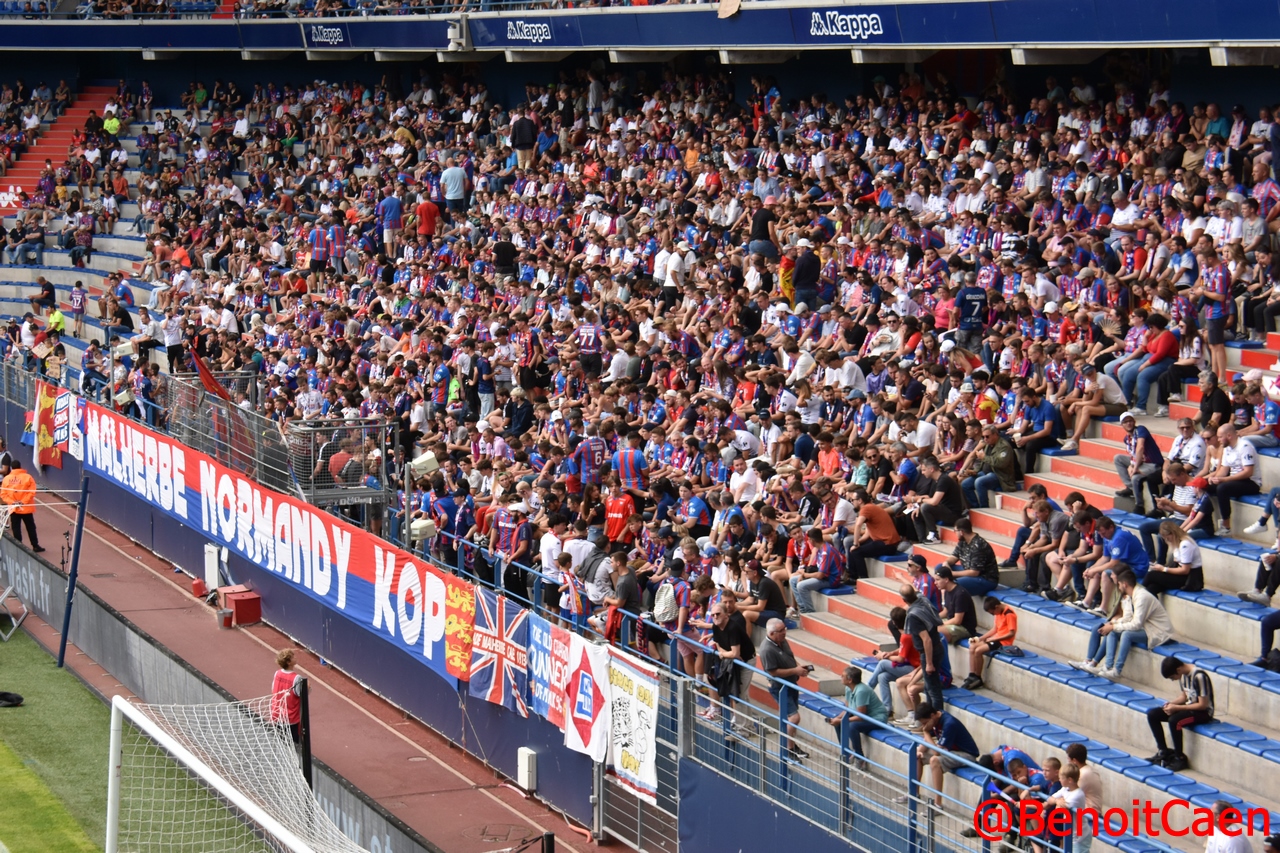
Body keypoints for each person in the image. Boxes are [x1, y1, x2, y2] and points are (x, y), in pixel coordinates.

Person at [1069, 568, 1173, 678]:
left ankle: (1117, 670)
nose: (1118, 587)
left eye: (1119, 584)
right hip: (1147, 628)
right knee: (1112, 631)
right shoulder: (1132, 595)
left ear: (1124, 584)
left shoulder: (1141, 597)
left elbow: (1136, 624)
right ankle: (1107, 666)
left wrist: (1114, 626)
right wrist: (1113, 624)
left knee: (1126, 634)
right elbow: (1128, 617)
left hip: (1158, 632)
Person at [1145, 656, 1214, 772]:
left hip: (1203, 713)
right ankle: (1163, 751)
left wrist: (1177, 708)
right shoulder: (1183, 675)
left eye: (1172, 677)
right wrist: (1170, 704)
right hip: (1189, 707)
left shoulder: (1199, 676)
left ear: (1178, 670)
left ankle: (1179, 757)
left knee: (1175, 721)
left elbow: (1203, 705)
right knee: (1153, 714)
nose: (1173, 680)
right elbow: (1184, 697)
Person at [759, 619, 811, 763]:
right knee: (794, 718)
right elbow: (773, 672)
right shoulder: (767, 650)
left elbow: (790, 657)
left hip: (791, 683)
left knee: (789, 718)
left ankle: (791, 745)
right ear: (771, 633)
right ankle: (788, 750)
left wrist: (800, 668)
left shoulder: (782, 640)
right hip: (779, 687)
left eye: (784, 629)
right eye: (781, 630)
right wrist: (795, 670)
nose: (785, 632)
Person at [911, 700, 980, 807]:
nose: (924, 726)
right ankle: (914, 794)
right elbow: (927, 741)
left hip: (966, 755)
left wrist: (925, 732)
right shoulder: (935, 719)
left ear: (932, 716)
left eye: (925, 723)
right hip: (951, 751)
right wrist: (919, 751)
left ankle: (937, 804)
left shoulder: (949, 724)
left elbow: (936, 752)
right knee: (916, 755)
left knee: (934, 760)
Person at [825, 665, 889, 765]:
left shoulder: (861, 691)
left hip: (877, 719)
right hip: (865, 716)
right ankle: (846, 754)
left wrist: (841, 720)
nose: (841, 677)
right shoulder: (848, 688)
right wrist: (836, 718)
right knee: (838, 723)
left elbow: (860, 716)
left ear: (850, 680)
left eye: (843, 676)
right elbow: (847, 709)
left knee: (852, 726)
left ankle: (859, 757)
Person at [901, 584, 945, 713]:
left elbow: (926, 640)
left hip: (929, 653)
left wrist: (929, 663)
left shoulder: (913, 616)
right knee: (929, 688)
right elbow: (916, 591)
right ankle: (930, 718)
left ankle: (937, 718)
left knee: (933, 690)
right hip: (938, 647)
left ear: (904, 600)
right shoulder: (923, 599)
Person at [961, 597, 1017, 691]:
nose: (993, 615)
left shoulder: (1009, 614)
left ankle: (978, 677)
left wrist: (994, 638)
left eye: (992, 613)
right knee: (972, 647)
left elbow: (1011, 633)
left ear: (997, 607)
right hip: (996, 638)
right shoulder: (998, 612)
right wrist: (980, 639)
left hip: (1003, 641)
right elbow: (994, 629)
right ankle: (972, 675)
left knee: (978, 651)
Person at [959, 424, 1019, 509]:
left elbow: (1001, 463)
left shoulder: (1004, 446)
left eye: (987, 436)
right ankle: (975, 507)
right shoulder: (988, 444)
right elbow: (982, 462)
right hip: (985, 473)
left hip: (999, 475)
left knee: (979, 482)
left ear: (995, 435)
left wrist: (984, 457)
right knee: (965, 484)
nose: (985, 439)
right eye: (983, 437)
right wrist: (975, 471)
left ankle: (984, 508)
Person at [941, 517, 1000, 597]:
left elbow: (974, 572)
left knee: (953, 584)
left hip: (985, 579)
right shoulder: (963, 541)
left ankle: (951, 603)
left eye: (955, 531)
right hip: (969, 572)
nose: (955, 533)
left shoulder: (978, 545)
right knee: (940, 568)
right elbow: (954, 556)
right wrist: (946, 563)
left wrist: (951, 574)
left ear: (961, 532)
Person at [1, 459, 41, 552]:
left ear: (11, 468)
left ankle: (19, 548)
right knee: (31, 527)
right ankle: (35, 545)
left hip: (13, 509)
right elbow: (32, 492)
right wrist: (22, 502)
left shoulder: (6, 479)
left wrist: (13, 502)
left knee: (16, 528)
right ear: (20, 466)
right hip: (26, 508)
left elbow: (3, 494)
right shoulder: (28, 477)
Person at [934, 566, 977, 644]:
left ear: (946, 580)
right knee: (927, 626)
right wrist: (932, 618)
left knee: (936, 631)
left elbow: (957, 620)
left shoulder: (960, 594)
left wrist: (940, 624)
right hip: (951, 621)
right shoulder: (947, 591)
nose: (935, 583)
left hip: (964, 627)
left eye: (938, 580)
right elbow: (946, 612)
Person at [270, 648, 304, 743]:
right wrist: (307, 687)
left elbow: (273, 689)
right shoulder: (296, 678)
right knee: (294, 744)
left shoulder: (277, 673)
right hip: (291, 718)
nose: (295, 657)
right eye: (293, 657)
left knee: (282, 743)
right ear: (289, 662)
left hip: (277, 715)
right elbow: (301, 694)